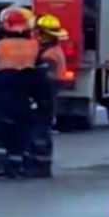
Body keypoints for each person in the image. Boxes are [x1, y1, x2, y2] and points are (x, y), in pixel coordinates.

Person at [0, 6, 40, 179]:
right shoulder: (34, 46)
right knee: (20, 132)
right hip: (25, 96)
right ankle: (17, 167)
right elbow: (41, 74)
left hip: (2, 94)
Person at [23, 14, 67, 178]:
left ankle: (40, 166)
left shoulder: (49, 55)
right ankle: (39, 164)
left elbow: (43, 78)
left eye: (38, 33)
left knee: (39, 131)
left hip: (45, 95)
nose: (35, 35)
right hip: (48, 94)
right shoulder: (52, 50)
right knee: (41, 130)